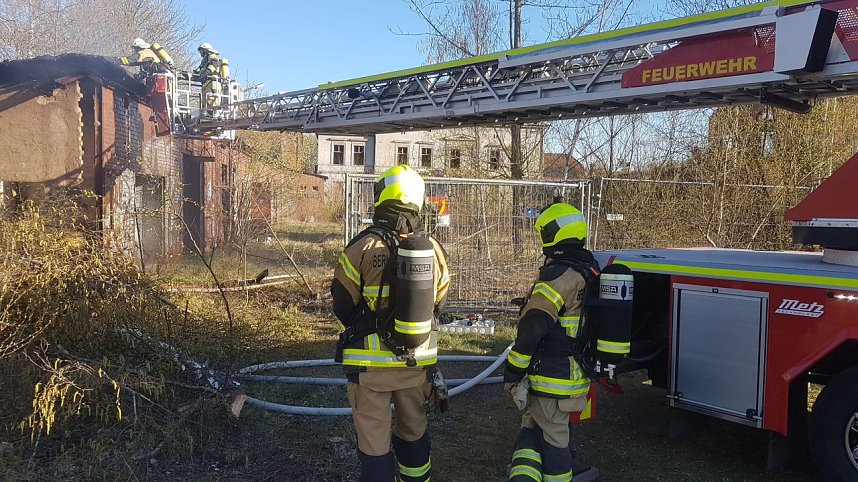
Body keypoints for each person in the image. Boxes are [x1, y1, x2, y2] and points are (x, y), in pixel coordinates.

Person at [332, 165, 450, 482]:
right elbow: (438, 302)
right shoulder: (434, 250)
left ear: (381, 198)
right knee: (413, 432)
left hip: (370, 369)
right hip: (417, 364)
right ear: (418, 202)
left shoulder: (360, 248)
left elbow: (342, 305)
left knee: (374, 444)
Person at [503, 202, 599, 482]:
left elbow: (533, 327)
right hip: (573, 372)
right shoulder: (587, 270)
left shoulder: (557, 276)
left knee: (555, 436)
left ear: (553, 234)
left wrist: (514, 369)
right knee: (532, 426)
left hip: (551, 376)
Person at [195, 42, 228, 108]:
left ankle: (215, 113)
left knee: (212, 101)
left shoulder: (212, 56)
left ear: (205, 50)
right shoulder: (204, 60)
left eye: (201, 50)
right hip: (207, 84)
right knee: (206, 102)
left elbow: (215, 64)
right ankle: (208, 114)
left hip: (213, 83)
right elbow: (202, 73)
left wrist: (207, 71)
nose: (200, 53)